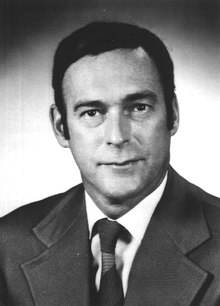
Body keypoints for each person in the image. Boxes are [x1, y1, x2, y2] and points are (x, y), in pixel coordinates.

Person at [0, 21, 220, 306]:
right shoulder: (7, 245)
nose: (117, 136)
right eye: (92, 112)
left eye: (139, 107)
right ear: (60, 127)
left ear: (173, 115)